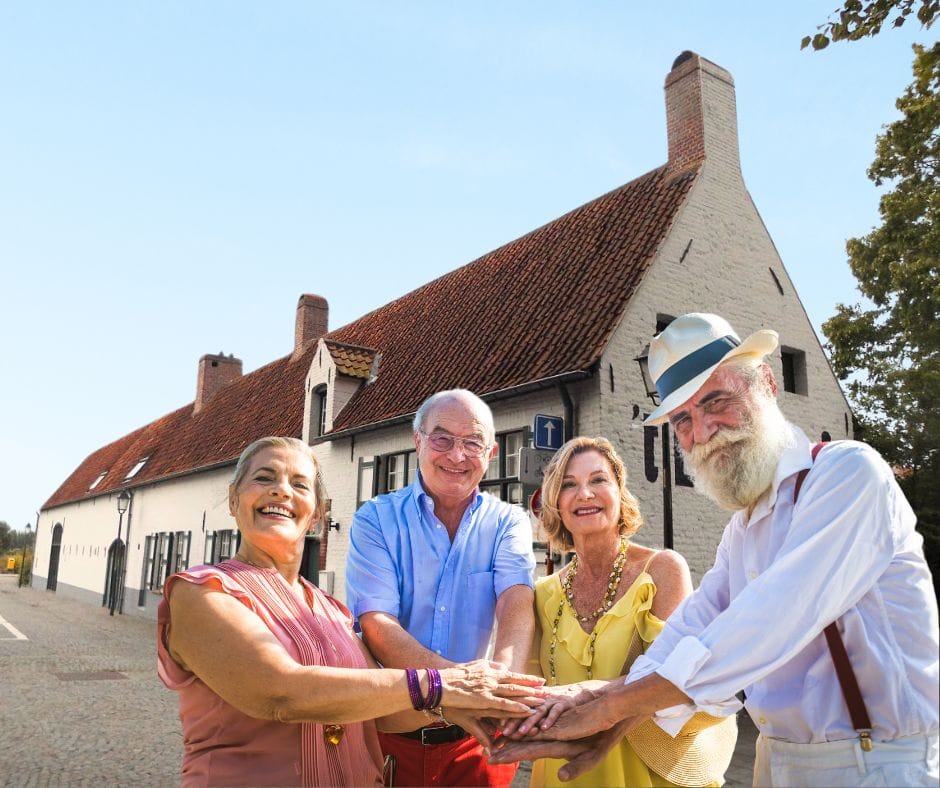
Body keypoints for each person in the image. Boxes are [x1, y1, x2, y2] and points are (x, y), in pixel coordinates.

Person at [491, 313, 939, 786]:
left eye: (716, 400)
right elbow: (691, 631)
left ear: (765, 380)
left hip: (876, 763)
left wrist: (612, 706)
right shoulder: (742, 529)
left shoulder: (848, 474)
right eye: (683, 419)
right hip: (776, 759)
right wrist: (604, 703)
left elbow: (772, 619)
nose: (703, 430)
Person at [157, 436, 545, 787]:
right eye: (264, 477)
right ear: (232, 500)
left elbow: (379, 714)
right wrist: (442, 685)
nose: (281, 490)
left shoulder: (331, 611)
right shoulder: (202, 592)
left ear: (317, 514)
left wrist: (465, 710)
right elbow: (281, 692)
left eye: (299, 484)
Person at [512, 436, 737, 787]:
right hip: (566, 771)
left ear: (620, 492)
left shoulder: (662, 570)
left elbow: (678, 675)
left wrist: (593, 697)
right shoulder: (541, 593)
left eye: (598, 480)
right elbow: (530, 690)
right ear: (556, 503)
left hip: (650, 769)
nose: (585, 493)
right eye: (569, 485)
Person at [345, 389, 537, 787]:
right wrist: (458, 688)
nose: (457, 455)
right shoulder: (375, 520)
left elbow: (516, 602)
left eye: (472, 442)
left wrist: (500, 686)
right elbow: (377, 623)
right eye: (442, 438)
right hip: (392, 734)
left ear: (491, 452)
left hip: (477, 741)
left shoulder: (509, 521)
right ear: (418, 441)